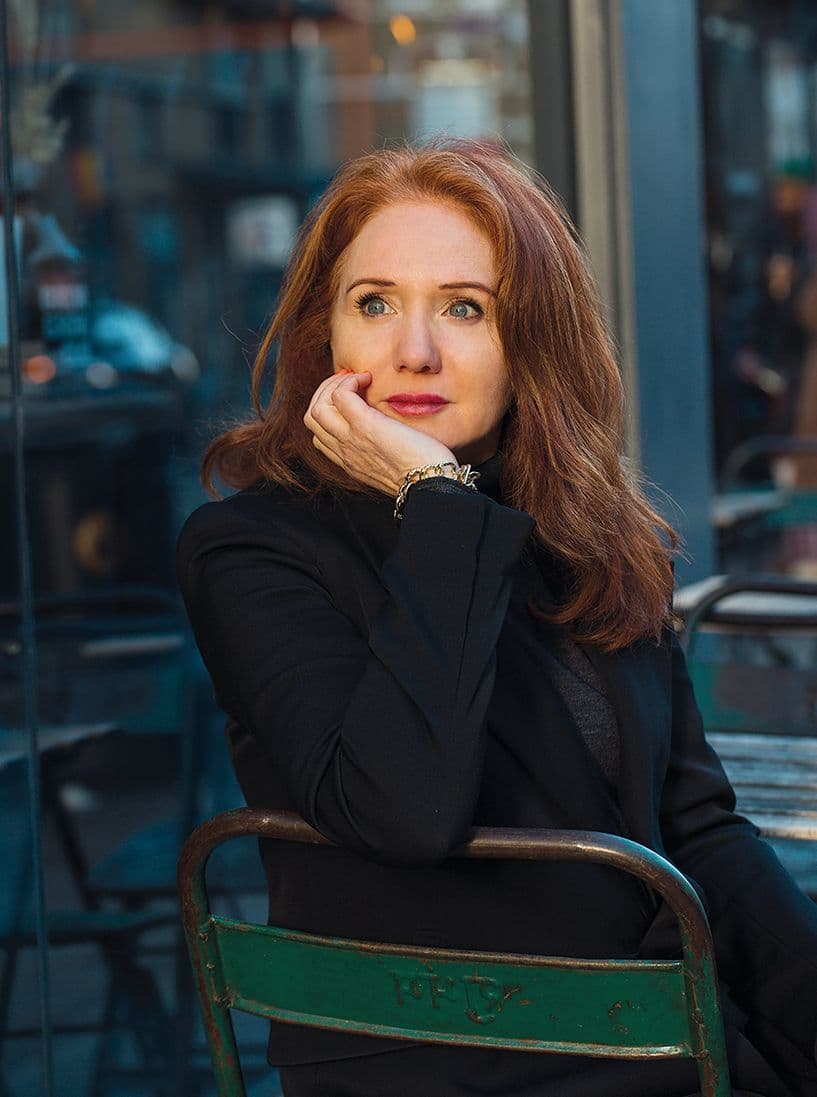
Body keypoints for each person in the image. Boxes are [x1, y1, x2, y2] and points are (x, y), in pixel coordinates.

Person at [176, 138, 817, 1097]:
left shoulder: (587, 537)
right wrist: (438, 503)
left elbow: (698, 830)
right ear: (325, 337)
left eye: (464, 308)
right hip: (443, 1058)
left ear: (532, 345)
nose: (414, 350)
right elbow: (401, 811)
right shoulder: (253, 549)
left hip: (663, 1040)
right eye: (374, 303)